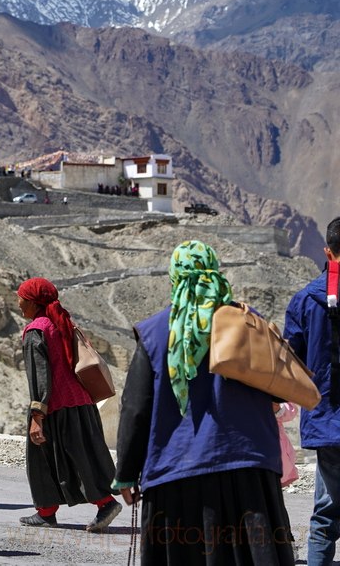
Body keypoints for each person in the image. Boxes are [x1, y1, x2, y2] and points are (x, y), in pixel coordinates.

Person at [115, 240, 295, 565]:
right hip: (249, 473)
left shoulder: (155, 333)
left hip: (176, 476)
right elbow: (281, 388)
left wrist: (127, 474)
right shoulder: (248, 322)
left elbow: (136, 408)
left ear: (175, 277)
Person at [17, 277, 121, 532]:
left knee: (51, 457)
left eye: (20, 298)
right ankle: (47, 511)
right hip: (81, 403)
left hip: (56, 407)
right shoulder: (61, 322)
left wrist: (36, 415)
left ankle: (105, 503)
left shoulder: (36, 331)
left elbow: (40, 378)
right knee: (81, 455)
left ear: (32, 302)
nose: (18, 303)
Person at [285, 216, 340, 565]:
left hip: (327, 422)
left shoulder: (305, 301)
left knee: (325, 516)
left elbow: (290, 365)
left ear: (327, 250)